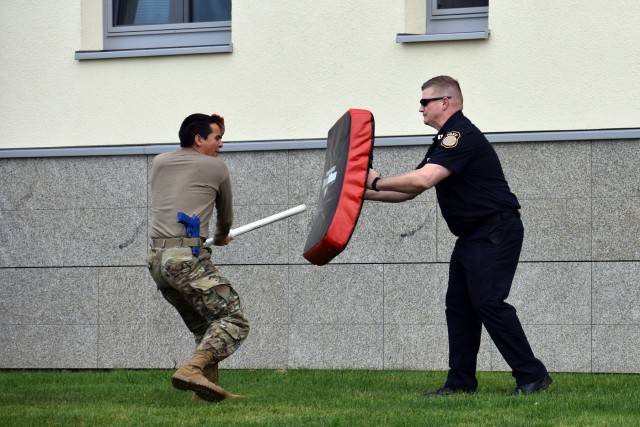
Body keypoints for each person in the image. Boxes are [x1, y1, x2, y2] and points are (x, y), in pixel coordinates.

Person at [365, 76, 552, 396]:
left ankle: (532, 376)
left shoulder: (459, 135)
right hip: (472, 236)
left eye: (425, 101)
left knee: (488, 303)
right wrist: (363, 195)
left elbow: (423, 180)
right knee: (460, 308)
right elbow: (409, 192)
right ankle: (460, 382)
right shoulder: (443, 140)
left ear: (445, 102)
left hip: (494, 230)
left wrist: (378, 181)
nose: (420, 108)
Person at [147, 113, 250, 402]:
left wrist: (214, 131)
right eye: (217, 138)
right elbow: (225, 216)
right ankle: (191, 370)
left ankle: (205, 395)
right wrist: (221, 237)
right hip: (186, 259)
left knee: (206, 326)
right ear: (198, 139)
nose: (221, 144)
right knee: (233, 319)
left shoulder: (159, 162)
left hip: (158, 260)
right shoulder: (215, 167)